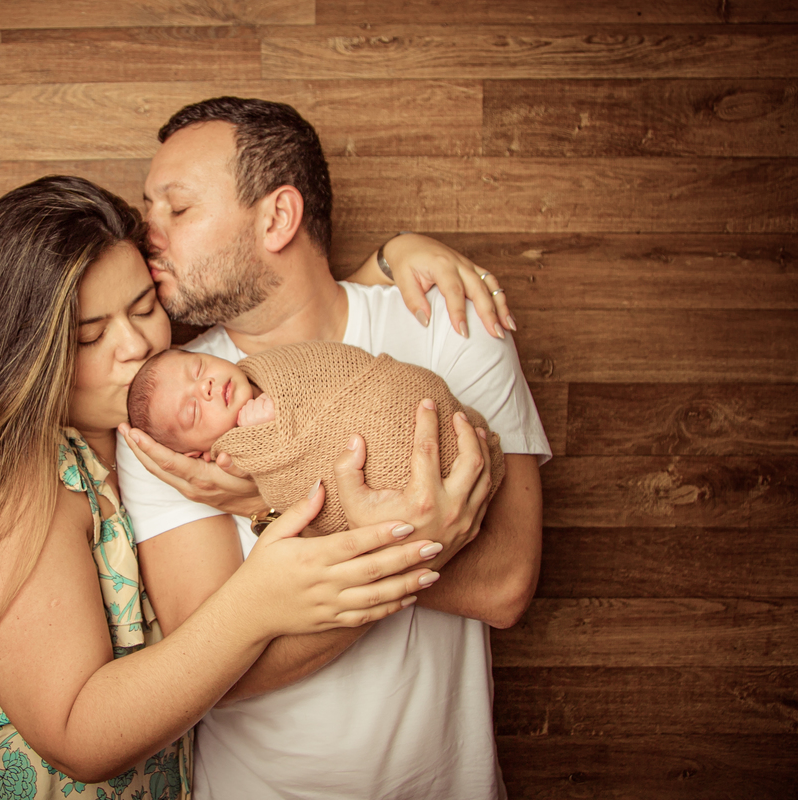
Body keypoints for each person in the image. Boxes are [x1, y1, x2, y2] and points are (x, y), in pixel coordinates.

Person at [0, 175, 480, 799]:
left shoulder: (130, 414)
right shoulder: (13, 481)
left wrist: (388, 259)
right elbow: (78, 737)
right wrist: (259, 602)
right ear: (19, 352)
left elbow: (276, 318)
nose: (137, 346)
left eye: (145, 307)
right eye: (89, 336)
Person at [116, 97, 552, 799]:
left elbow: (504, 587)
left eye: (177, 209)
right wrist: (417, 541)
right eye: (146, 210)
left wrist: (273, 504)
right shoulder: (175, 418)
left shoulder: (447, 325)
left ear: (278, 218)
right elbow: (209, 676)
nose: (147, 237)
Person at [125, 342, 506, 535]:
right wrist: (262, 439)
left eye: (199, 368)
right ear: (201, 454)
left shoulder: (272, 363)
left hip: (402, 400)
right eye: (193, 411)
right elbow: (294, 484)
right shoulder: (236, 461)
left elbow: (332, 365)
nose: (205, 387)